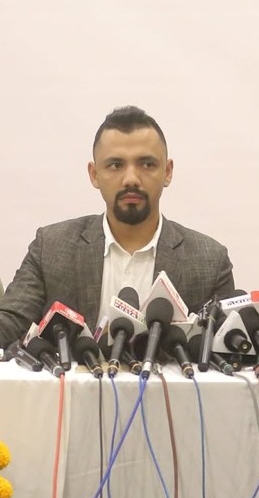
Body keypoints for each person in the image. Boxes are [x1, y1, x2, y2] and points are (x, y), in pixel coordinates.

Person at [0, 106, 236, 349]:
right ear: (94, 174)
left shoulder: (209, 260)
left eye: (147, 164)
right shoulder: (51, 248)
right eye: (115, 165)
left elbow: (231, 345)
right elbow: (9, 324)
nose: (131, 179)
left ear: (167, 172)